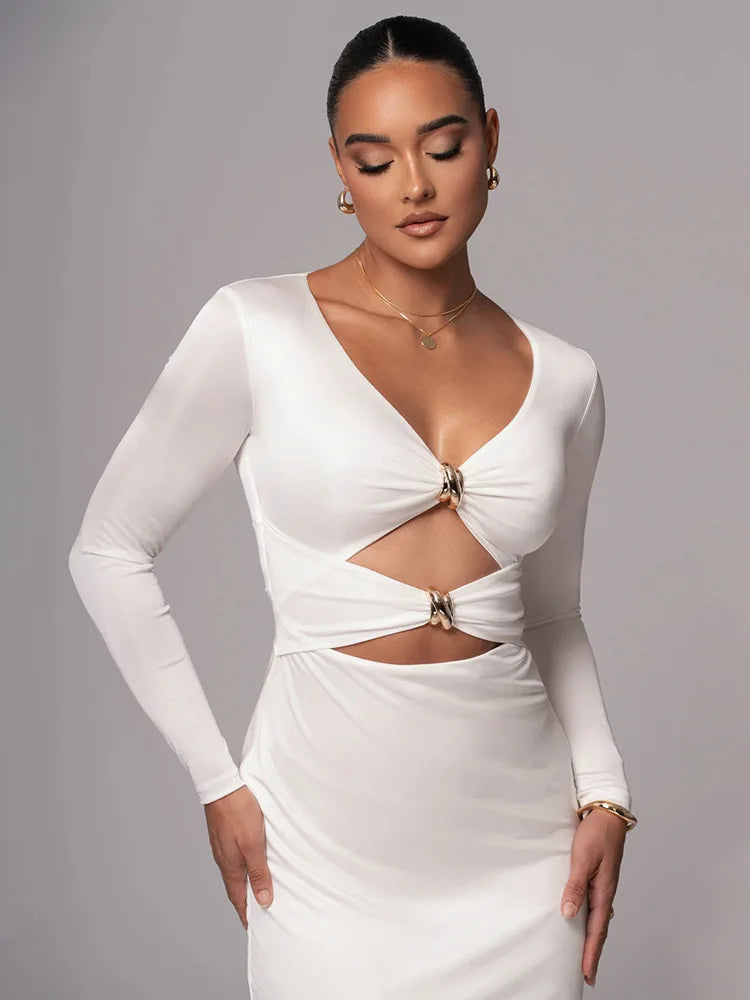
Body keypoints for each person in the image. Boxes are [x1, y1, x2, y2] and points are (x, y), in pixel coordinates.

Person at [68, 14, 637, 999]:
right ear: (341, 168)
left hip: (521, 852)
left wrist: (605, 791)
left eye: (443, 147)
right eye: (375, 160)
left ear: (490, 140)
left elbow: (551, 613)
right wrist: (216, 781)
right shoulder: (258, 326)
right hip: (325, 840)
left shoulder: (568, 379)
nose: (414, 186)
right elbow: (107, 548)